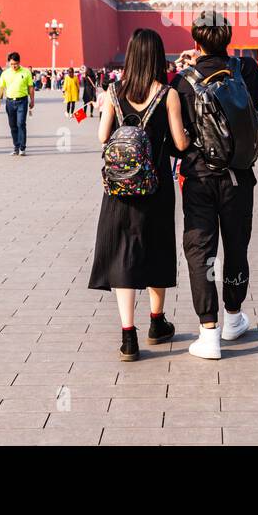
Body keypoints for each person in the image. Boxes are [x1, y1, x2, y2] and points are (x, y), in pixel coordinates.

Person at [89, 28, 190, 362]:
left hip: (119, 188)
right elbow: (180, 143)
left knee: (123, 254)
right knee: (156, 248)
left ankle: (128, 336)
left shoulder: (113, 92)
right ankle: (157, 322)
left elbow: (102, 136)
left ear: (131, 55)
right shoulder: (168, 94)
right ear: (158, 56)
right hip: (155, 185)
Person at [170, 12, 258, 361]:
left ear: (196, 41)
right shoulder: (247, 70)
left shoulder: (183, 81)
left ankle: (208, 332)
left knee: (201, 251)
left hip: (198, 177)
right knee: (236, 245)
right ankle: (233, 318)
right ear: (228, 38)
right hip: (239, 176)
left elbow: (176, 142)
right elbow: (256, 113)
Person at [0, 52, 34, 156]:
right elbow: (1, 87)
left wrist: (32, 100)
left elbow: (31, 87)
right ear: (9, 63)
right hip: (9, 102)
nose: (14, 66)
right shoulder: (5, 73)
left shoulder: (26, 72)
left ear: (19, 62)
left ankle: (22, 148)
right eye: (12, 64)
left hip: (22, 101)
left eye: (16, 64)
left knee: (21, 123)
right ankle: (16, 147)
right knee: (12, 125)